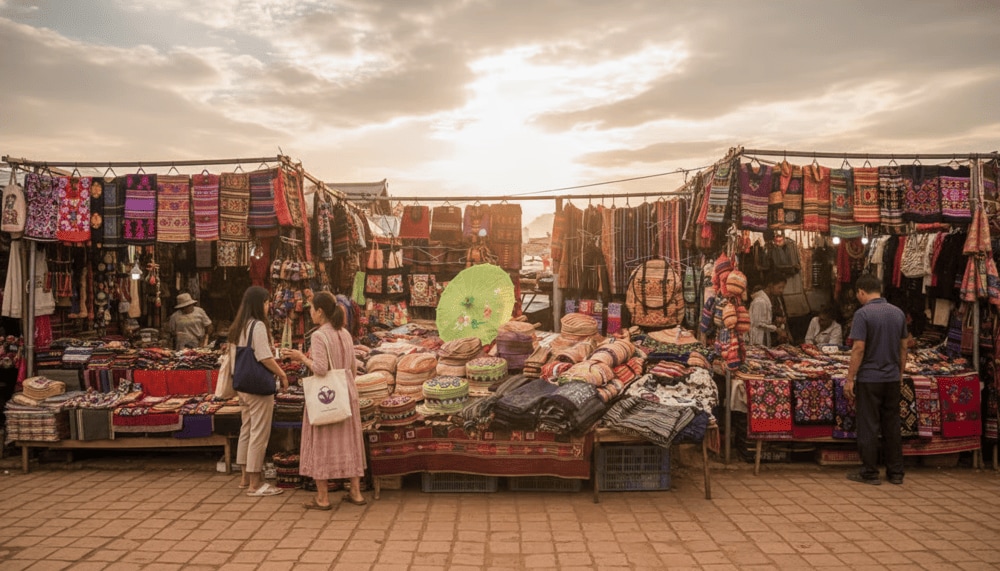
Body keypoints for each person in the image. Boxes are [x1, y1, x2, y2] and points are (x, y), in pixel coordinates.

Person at [282, 292, 367, 509]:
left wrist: (301, 357)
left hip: (326, 397)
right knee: (350, 441)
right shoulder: (345, 333)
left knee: (322, 443)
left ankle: (322, 497)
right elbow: (353, 367)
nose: (310, 313)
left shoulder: (319, 336)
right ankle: (355, 492)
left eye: (311, 309)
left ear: (320, 311)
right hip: (346, 391)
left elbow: (320, 369)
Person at [845, 274, 909, 486]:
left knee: (869, 425)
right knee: (892, 425)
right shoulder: (898, 313)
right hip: (891, 378)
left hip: (870, 378)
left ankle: (870, 472)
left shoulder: (862, 314)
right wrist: (900, 374)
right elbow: (904, 347)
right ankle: (896, 472)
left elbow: (858, 348)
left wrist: (850, 378)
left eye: (857, 294)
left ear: (861, 291)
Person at [231, 286, 289, 497]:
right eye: (266, 302)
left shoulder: (240, 325)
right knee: (259, 434)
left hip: (243, 386)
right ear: (259, 304)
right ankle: (255, 484)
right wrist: (282, 374)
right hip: (258, 388)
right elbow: (264, 357)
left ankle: (244, 478)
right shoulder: (258, 326)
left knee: (246, 430)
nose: (268, 306)